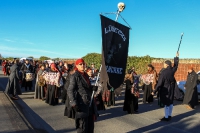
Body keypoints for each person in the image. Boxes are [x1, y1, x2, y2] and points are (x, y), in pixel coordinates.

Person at [67, 58, 98, 133]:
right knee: (82, 127)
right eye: (80, 64)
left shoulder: (86, 75)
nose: (83, 65)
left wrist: (92, 88)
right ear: (77, 66)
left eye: (83, 64)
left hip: (89, 103)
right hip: (81, 104)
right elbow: (70, 90)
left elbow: (86, 87)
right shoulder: (74, 76)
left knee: (90, 126)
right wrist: (73, 103)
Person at [152, 52, 179, 121]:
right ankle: (169, 115)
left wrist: (154, 91)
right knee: (170, 102)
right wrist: (176, 57)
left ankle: (166, 117)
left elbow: (160, 83)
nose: (163, 65)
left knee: (166, 103)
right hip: (172, 88)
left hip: (166, 89)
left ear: (167, 65)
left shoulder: (164, 72)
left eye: (164, 64)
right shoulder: (172, 70)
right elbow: (176, 66)